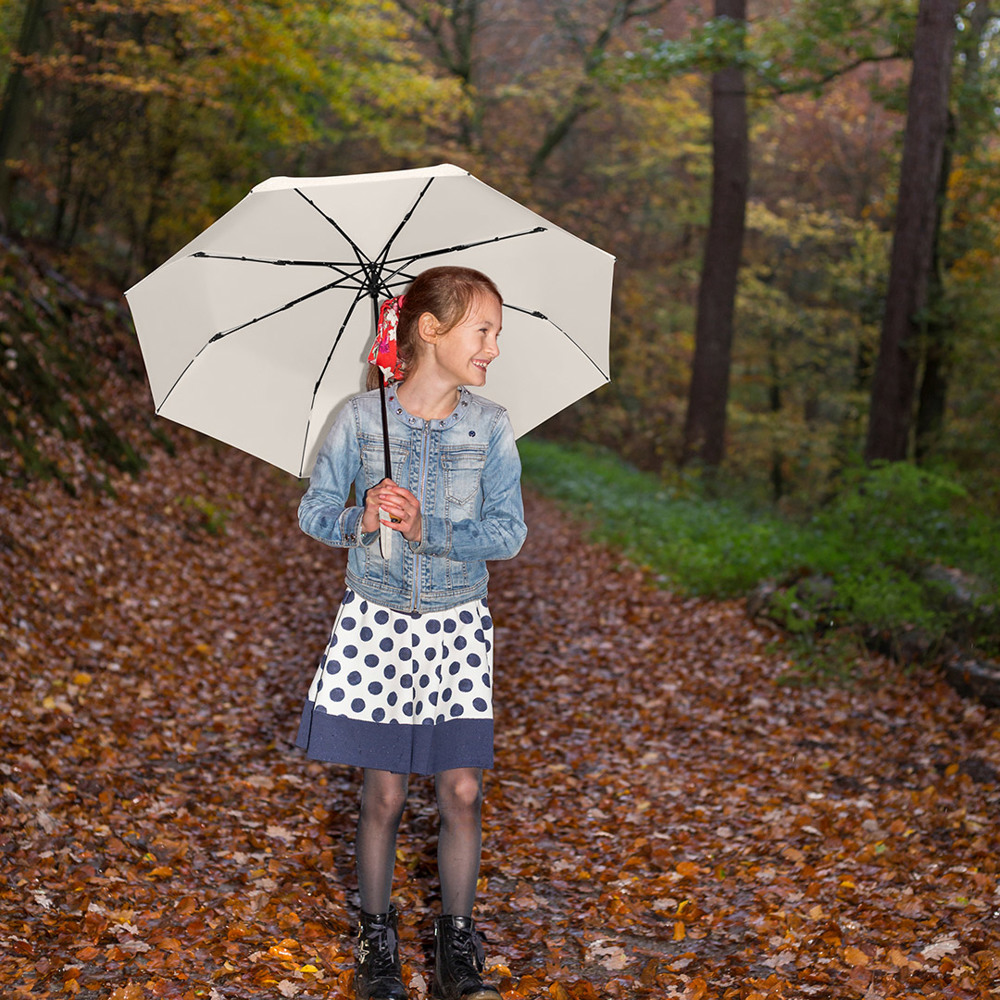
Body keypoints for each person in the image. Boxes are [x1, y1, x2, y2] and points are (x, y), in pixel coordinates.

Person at [295, 265, 527, 1000]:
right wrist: (358, 519)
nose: (493, 347)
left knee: (460, 789)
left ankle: (456, 945)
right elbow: (314, 511)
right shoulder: (361, 420)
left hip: (458, 624)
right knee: (384, 793)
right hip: (378, 622)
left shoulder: (490, 427)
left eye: (496, 333)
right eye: (483, 330)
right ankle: (375, 942)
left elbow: (509, 532)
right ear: (431, 330)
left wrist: (431, 529)